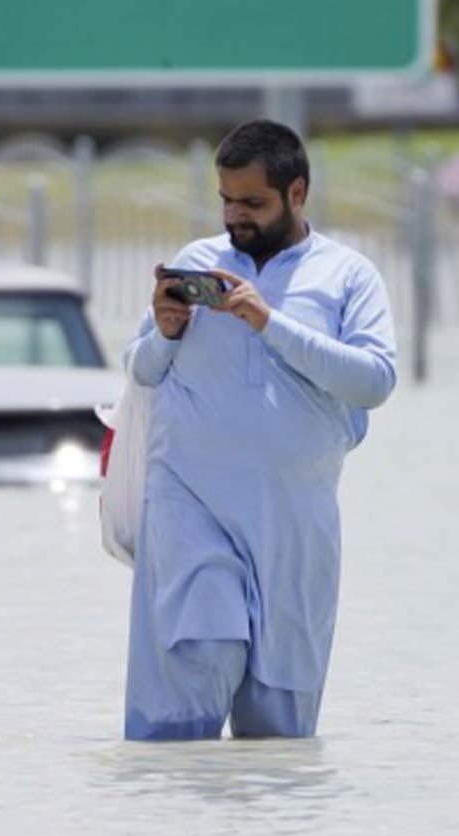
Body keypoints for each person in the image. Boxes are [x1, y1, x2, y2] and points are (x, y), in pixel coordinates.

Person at [123, 119, 396, 741]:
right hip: (191, 501)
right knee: (200, 653)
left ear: (297, 193)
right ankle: (168, 832)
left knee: (278, 733)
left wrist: (267, 321)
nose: (235, 216)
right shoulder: (199, 263)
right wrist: (165, 329)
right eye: (226, 200)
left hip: (294, 518)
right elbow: (140, 370)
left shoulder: (348, 276)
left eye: (252, 202)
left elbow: (375, 382)